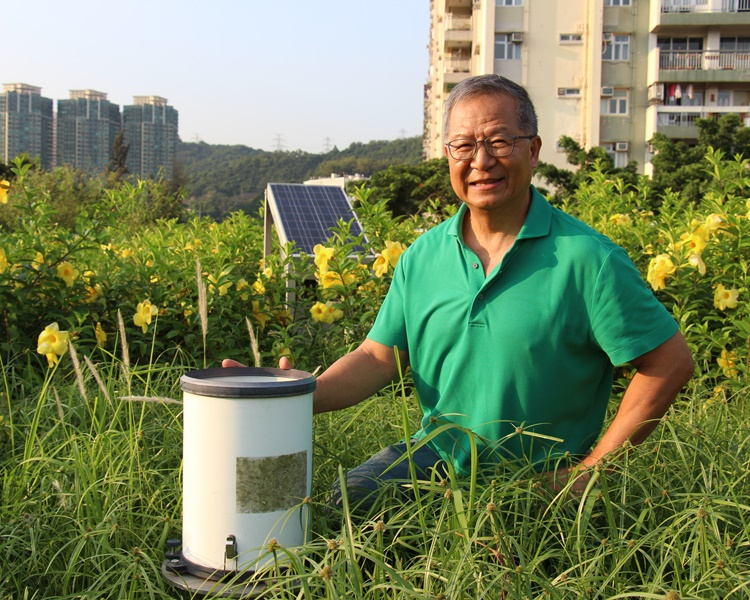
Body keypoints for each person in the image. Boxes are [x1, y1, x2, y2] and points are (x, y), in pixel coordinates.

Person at [225, 74, 694, 507]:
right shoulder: (422, 257)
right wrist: (292, 394)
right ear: (447, 156)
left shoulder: (588, 259)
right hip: (436, 462)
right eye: (463, 145)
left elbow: (669, 362)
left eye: (499, 142)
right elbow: (376, 357)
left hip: (536, 481)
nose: (481, 161)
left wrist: (590, 474)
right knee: (342, 507)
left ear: (533, 150)